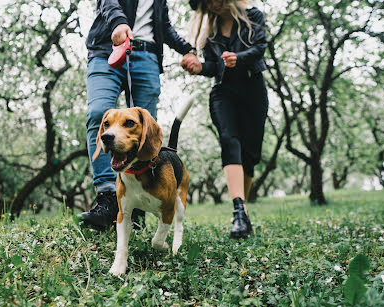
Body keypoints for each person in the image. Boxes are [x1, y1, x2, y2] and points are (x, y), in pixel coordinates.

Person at [83, 0, 199, 231]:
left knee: (144, 128)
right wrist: (119, 22)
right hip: (108, 49)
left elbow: (163, 26)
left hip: (147, 56)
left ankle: (135, 208)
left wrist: (188, 49)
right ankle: (108, 198)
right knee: (99, 113)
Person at [181, 0, 269, 238]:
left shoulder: (253, 16)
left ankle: (244, 212)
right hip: (223, 93)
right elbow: (214, 67)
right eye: (207, 2)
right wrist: (200, 67)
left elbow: (260, 47)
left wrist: (238, 58)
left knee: (251, 154)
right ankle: (238, 211)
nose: (214, 4)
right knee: (230, 142)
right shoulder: (210, 31)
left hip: (253, 88)